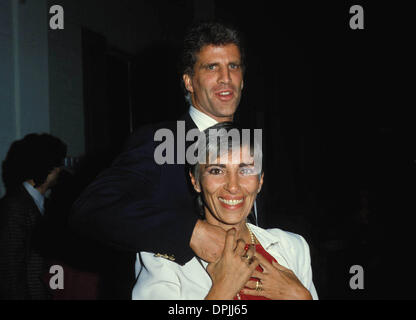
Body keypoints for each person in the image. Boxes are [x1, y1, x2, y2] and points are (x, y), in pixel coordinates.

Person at [70, 21, 246, 266]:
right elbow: (91, 208)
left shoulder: (249, 146)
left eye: (233, 66)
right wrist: (191, 232)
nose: (226, 78)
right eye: (212, 67)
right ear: (189, 82)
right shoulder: (160, 141)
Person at [132, 122, 318, 299]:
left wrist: (302, 297)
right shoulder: (161, 258)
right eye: (216, 171)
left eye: (245, 170)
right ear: (195, 181)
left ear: (260, 181)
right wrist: (222, 290)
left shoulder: (293, 247)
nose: (233, 186)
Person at [0, 133, 67, 299]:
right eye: (60, 163)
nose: (62, 170)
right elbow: (11, 273)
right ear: (50, 167)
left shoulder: (44, 204)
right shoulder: (15, 207)